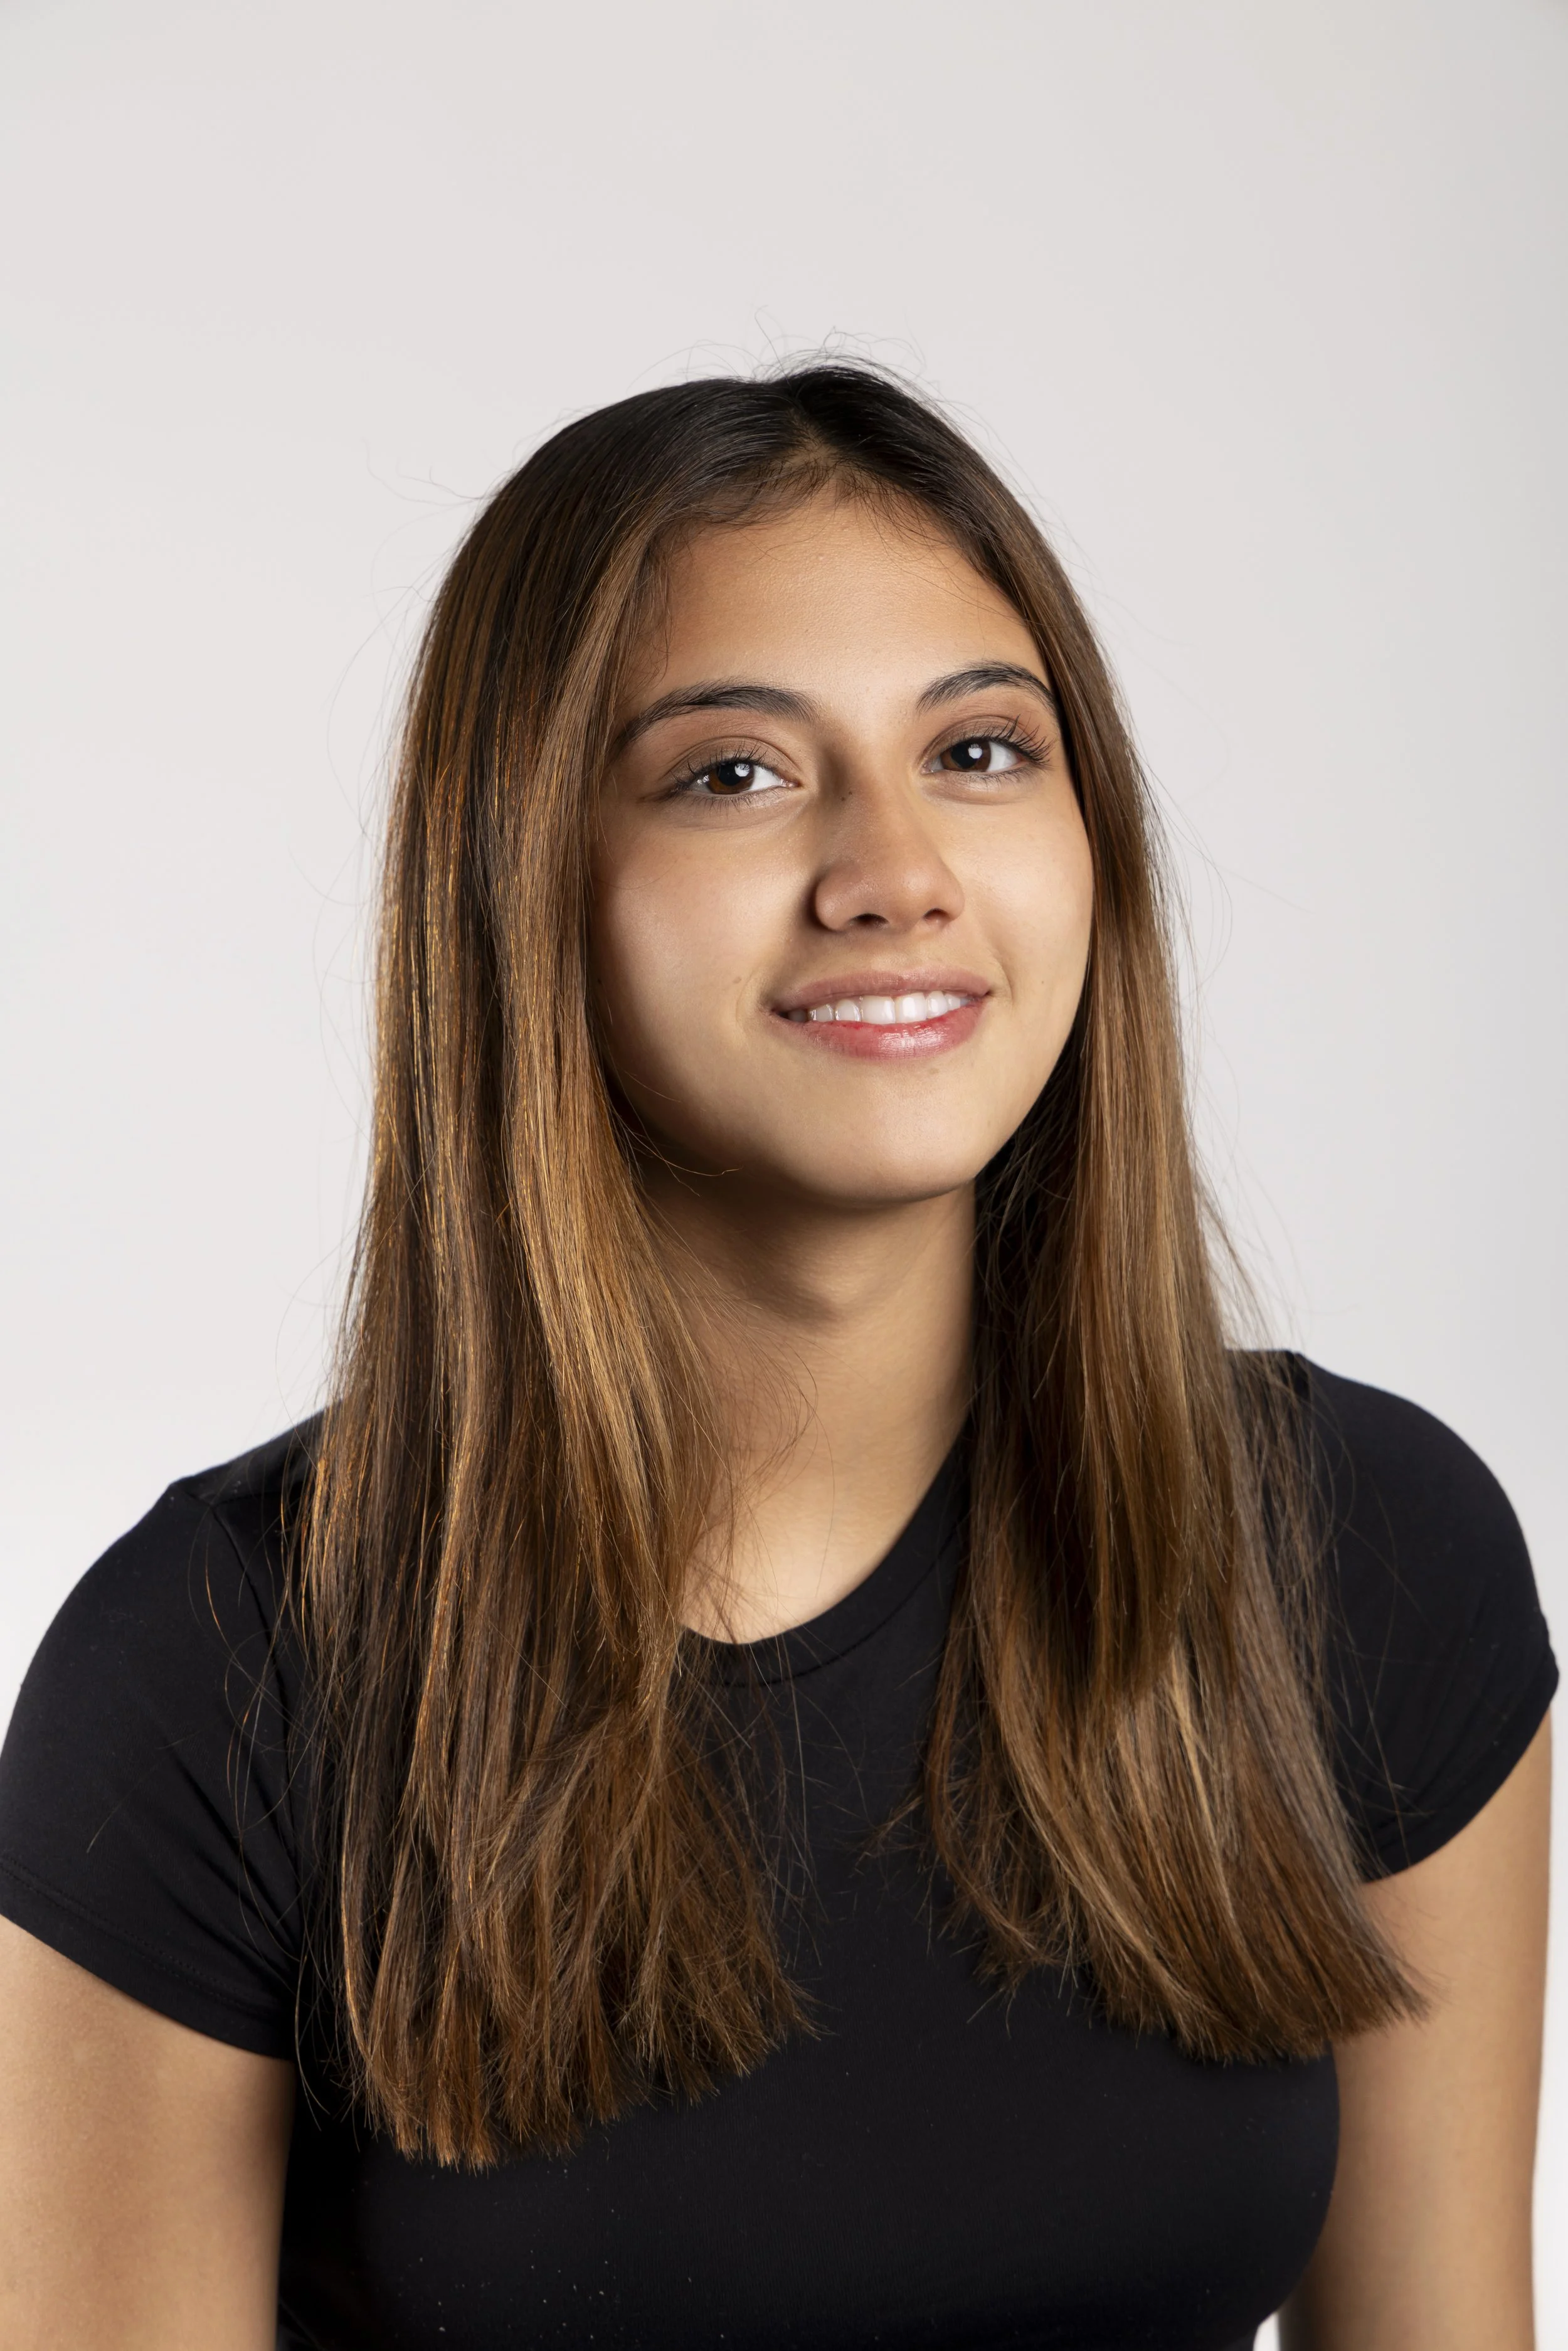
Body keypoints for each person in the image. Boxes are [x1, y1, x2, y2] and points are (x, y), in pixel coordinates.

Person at [0, 365, 1552, 2351]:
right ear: (520, 881)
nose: (894, 869)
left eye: (979, 750)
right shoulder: (215, 1673)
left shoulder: (1362, 1551)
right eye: (732, 772)